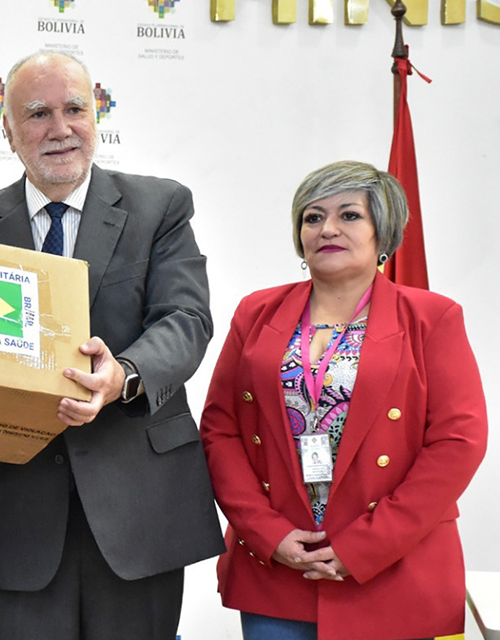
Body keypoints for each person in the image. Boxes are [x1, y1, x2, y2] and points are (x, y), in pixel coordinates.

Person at [0, 50, 224, 639]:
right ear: (10, 132)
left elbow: (185, 319)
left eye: (75, 109)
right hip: (17, 521)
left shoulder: (159, 207)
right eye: (39, 113)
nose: (60, 128)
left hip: (137, 514)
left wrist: (123, 374)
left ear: (97, 115)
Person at [199, 160, 487, 640]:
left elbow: (458, 442)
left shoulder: (433, 318)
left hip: (395, 571)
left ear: (384, 232)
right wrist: (268, 533)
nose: (327, 228)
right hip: (279, 572)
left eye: (349, 215)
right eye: (312, 217)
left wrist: (365, 547)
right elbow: (220, 429)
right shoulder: (256, 312)